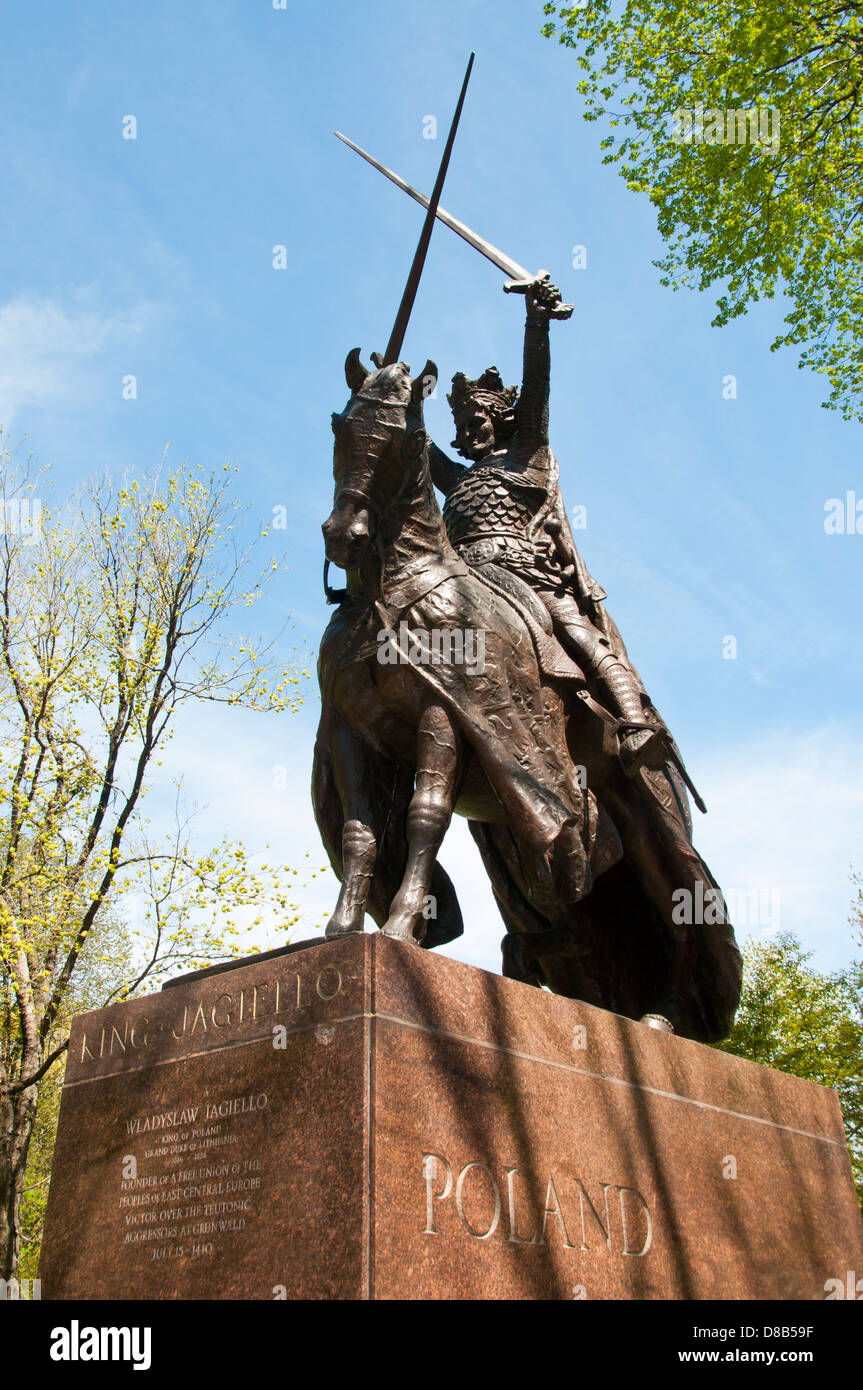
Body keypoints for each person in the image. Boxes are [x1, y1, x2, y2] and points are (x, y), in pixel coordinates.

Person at [428, 275, 666, 776]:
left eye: (476, 423)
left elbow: (536, 386)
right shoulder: (460, 479)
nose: (465, 434)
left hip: (522, 573)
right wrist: (395, 398)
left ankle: (634, 721)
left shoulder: (525, 456)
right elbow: (418, 454)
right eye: (460, 427)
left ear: (501, 422)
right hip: (464, 579)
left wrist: (536, 323)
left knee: (576, 632)